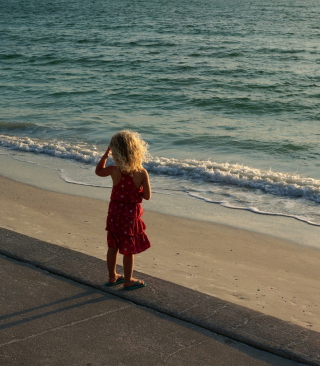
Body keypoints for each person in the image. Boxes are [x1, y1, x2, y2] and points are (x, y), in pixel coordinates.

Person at [95, 130, 151, 290]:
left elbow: (98, 172)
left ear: (116, 151)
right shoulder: (141, 172)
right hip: (130, 217)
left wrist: (105, 155)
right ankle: (128, 280)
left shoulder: (114, 170)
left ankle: (112, 277)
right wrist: (136, 192)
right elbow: (147, 196)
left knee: (113, 246)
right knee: (128, 249)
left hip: (114, 214)